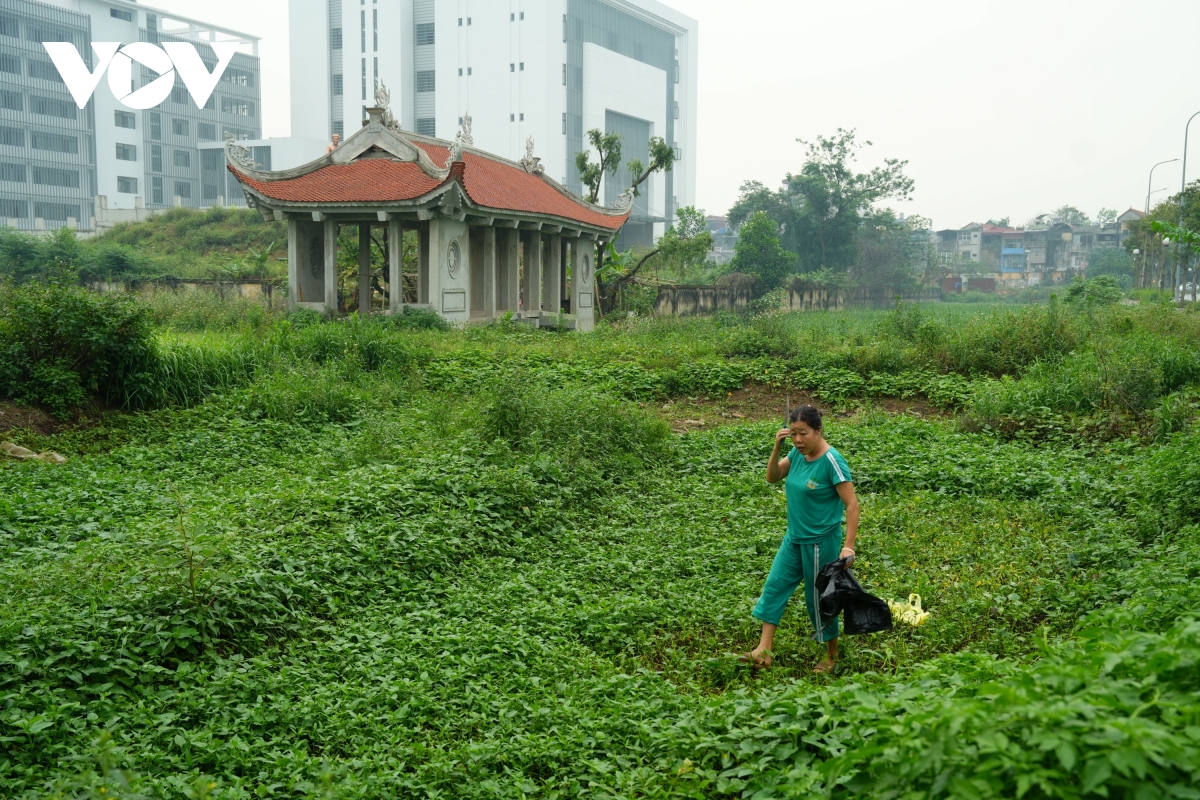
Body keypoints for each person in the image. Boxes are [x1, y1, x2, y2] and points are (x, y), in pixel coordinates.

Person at [745, 405, 859, 673]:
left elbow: (852, 504)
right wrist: (777, 447)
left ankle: (831, 655)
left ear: (818, 430)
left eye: (803, 433)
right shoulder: (796, 454)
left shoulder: (832, 461)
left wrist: (848, 546)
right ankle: (763, 650)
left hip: (821, 542)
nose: (797, 440)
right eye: (793, 433)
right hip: (794, 538)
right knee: (775, 586)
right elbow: (772, 477)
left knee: (819, 598)